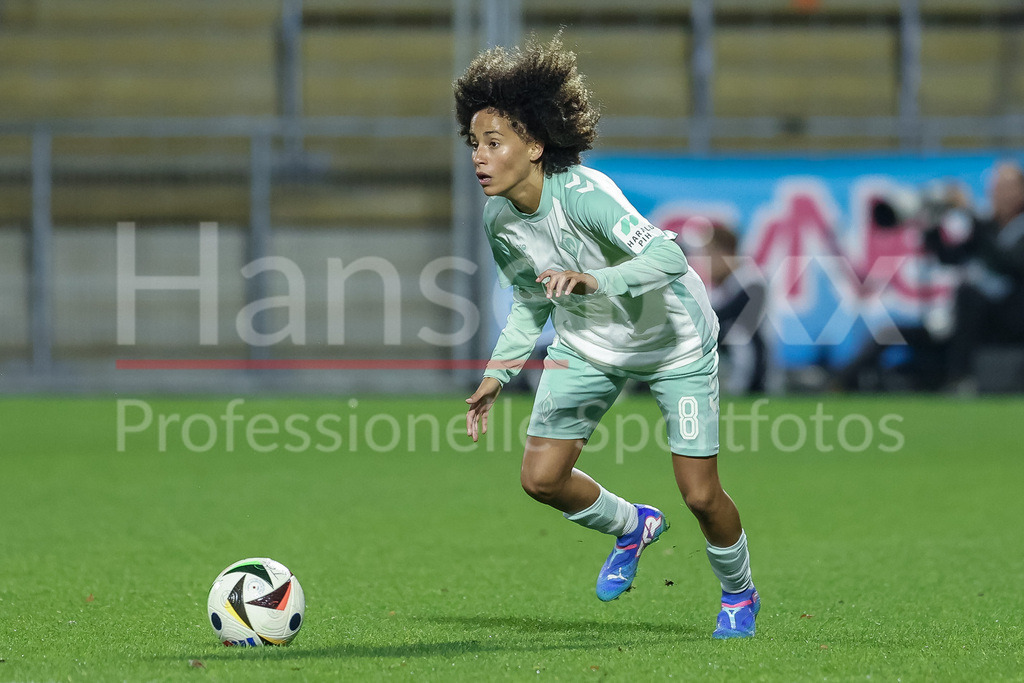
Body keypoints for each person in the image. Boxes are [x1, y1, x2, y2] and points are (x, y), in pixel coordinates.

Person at [455, 35, 759, 639]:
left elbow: (669, 257)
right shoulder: (499, 219)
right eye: (474, 144)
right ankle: (632, 525)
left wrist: (596, 279)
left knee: (701, 496)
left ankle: (738, 593)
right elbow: (530, 298)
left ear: (535, 146)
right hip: (589, 345)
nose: (480, 157)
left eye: (494, 142)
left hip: (673, 343)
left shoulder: (585, 196)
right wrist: (497, 374)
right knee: (541, 480)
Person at [922, 160, 1024, 390]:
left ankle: (961, 377)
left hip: (1016, 312)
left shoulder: (1009, 228)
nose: (999, 194)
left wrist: (970, 212)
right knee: (961, 301)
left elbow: (1009, 263)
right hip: (986, 314)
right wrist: (932, 226)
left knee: (969, 295)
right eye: (996, 187)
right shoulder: (989, 225)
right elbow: (951, 258)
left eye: (1006, 187)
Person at [704, 225, 769, 395]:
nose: (706, 262)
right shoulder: (720, 288)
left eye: (710, 254)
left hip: (754, 364)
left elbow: (724, 317)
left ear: (725, 253)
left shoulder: (751, 282)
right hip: (732, 361)